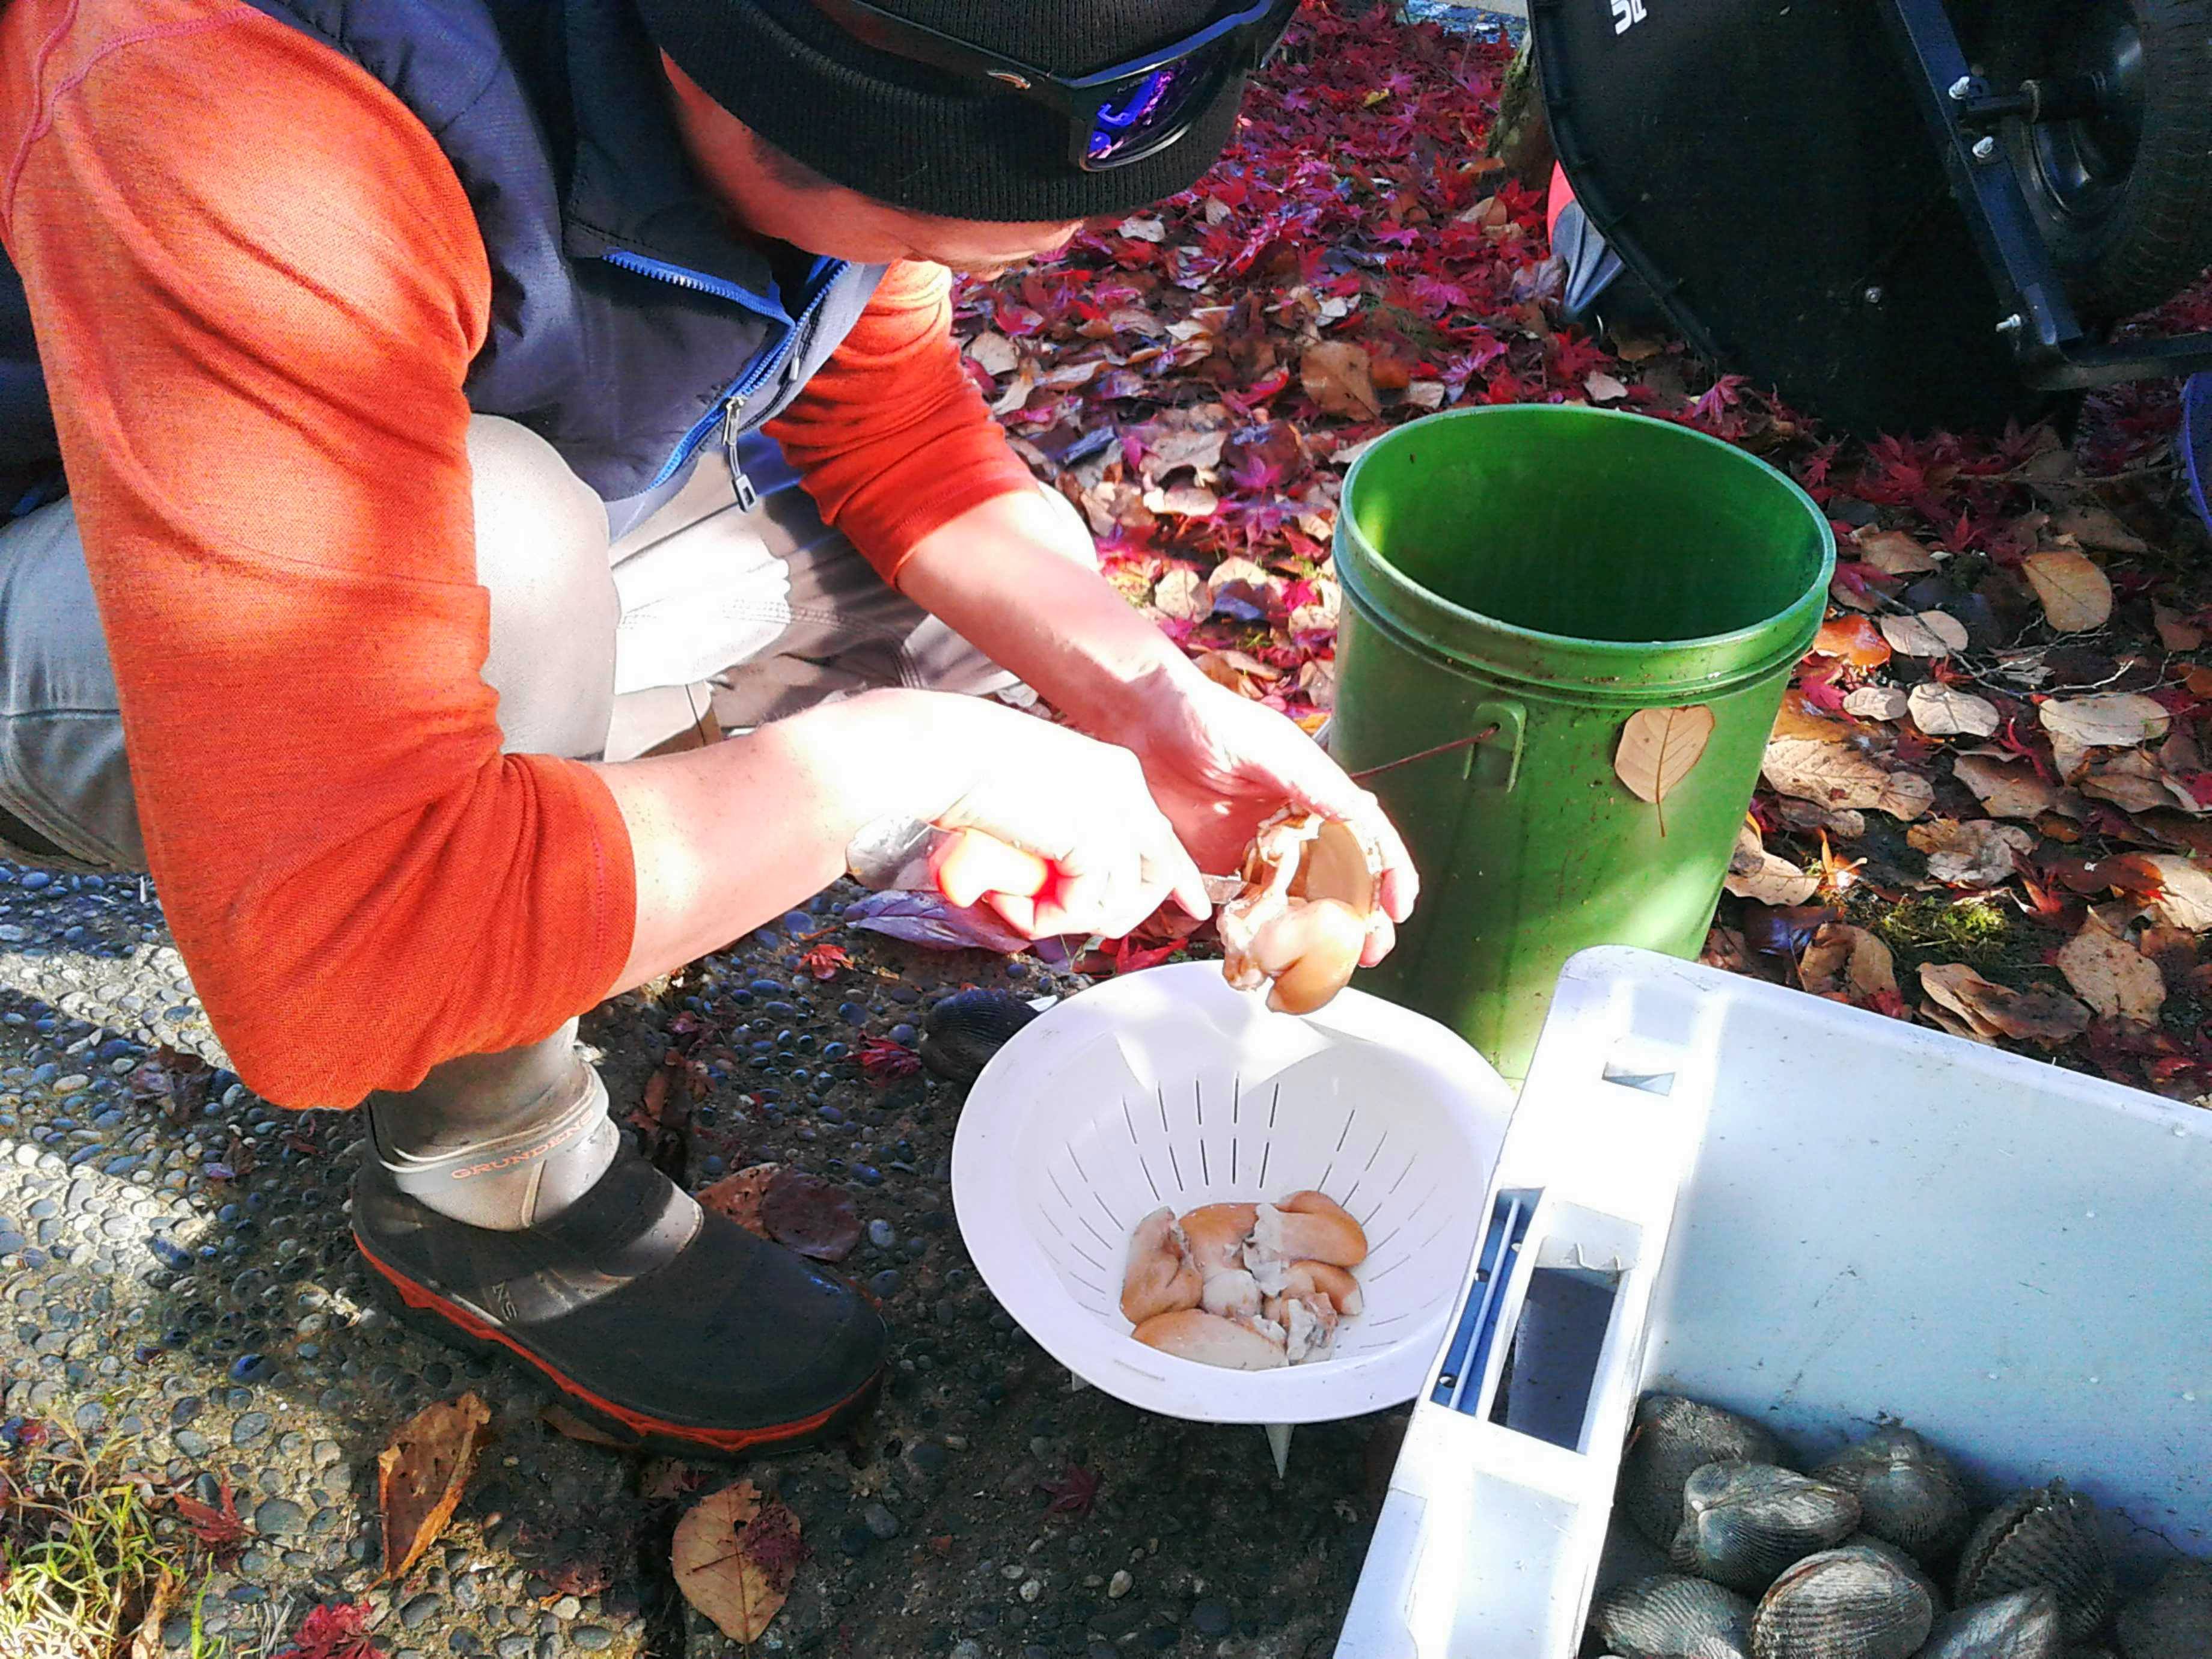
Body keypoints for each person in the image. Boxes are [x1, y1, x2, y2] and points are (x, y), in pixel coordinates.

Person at [0, 0, 1416, 1456]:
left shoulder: (853, 63)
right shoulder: (236, 103)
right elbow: (340, 967)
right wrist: (907, 764)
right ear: (759, 85)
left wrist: (1147, 700)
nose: (1037, 252)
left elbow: (890, 424)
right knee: (508, 554)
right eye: (927, 228)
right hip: (68, 562)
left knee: (944, 617)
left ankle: (564, 858)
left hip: (359, 475)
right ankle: (489, 1181)